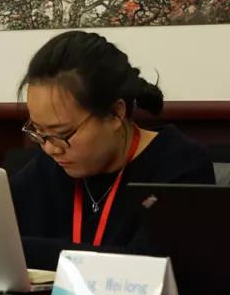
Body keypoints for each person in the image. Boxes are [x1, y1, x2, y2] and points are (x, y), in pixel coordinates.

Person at [11, 30, 215, 270]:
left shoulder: (181, 165)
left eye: (63, 133)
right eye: (39, 132)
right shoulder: (47, 166)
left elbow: (148, 265)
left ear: (116, 113)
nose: (50, 148)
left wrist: (15, 249)